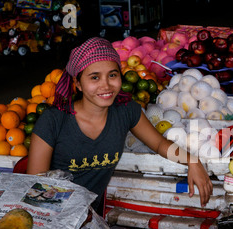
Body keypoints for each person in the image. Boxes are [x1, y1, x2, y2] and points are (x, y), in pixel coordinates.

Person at [26, 37, 213, 214]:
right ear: (78, 84)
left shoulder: (126, 111)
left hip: (89, 217)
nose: (106, 85)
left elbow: (158, 144)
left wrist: (192, 160)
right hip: (51, 215)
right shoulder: (53, 121)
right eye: (94, 78)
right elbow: (35, 187)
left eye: (112, 75)